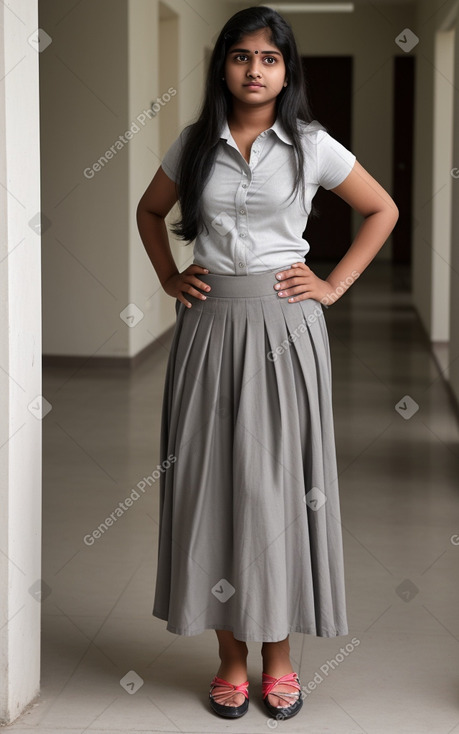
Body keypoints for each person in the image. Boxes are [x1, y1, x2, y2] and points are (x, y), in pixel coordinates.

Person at [136, 4, 398, 721]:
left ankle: (278, 659)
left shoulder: (310, 143)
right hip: (208, 329)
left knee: (281, 492)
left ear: (287, 71)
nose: (255, 69)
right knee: (210, 487)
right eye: (242, 56)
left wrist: (332, 284)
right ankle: (229, 657)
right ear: (222, 65)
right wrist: (168, 279)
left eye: (270, 58)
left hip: (287, 328)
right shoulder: (194, 143)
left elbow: (382, 209)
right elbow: (148, 211)